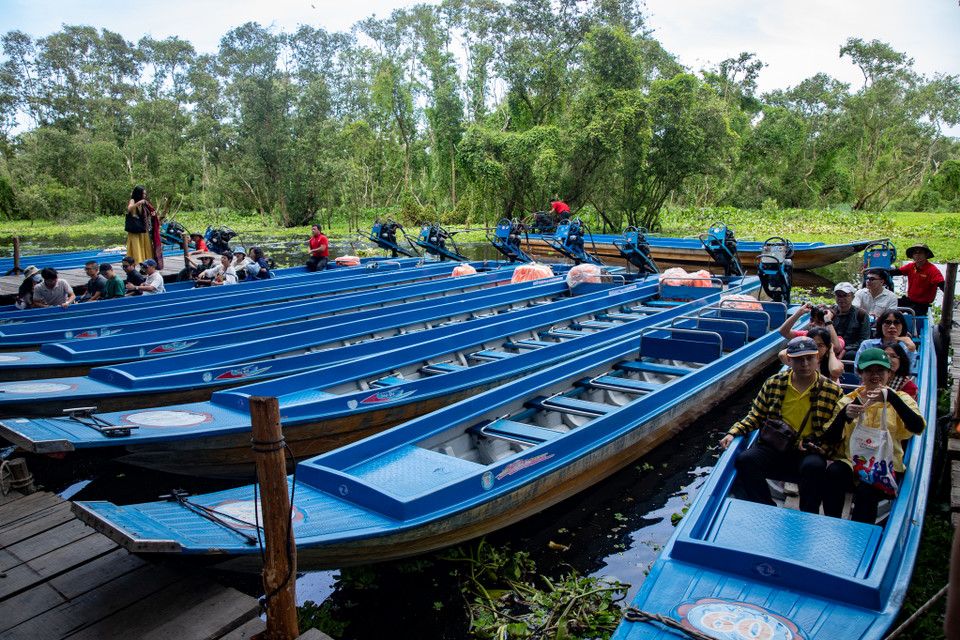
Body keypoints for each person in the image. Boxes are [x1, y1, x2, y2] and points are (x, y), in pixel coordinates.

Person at [719, 337, 844, 513]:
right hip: (778, 445)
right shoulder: (774, 383)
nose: (805, 364)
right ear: (789, 360)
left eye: (809, 358)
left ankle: (808, 514)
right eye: (798, 359)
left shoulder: (832, 391)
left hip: (808, 451)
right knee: (746, 460)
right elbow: (757, 415)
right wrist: (734, 432)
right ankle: (766, 509)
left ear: (817, 358)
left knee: (815, 466)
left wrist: (821, 448)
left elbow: (836, 430)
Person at [821, 348, 925, 523]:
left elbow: (918, 427)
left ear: (889, 373)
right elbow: (830, 439)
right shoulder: (848, 401)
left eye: (880, 371)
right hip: (852, 462)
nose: (875, 375)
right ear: (860, 373)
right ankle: (831, 523)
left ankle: (861, 533)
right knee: (834, 473)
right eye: (869, 371)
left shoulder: (901, 399)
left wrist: (892, 399)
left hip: (885, 465)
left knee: (866, 490)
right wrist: (843, 416)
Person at [889, 243, 944, 316]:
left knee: (903, 315)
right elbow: (895, 272)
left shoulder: (932, 270)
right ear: (912, 255)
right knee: (888, 303)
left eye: (920, 252)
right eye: (915, 253)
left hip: (921, 305)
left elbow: (942, 284)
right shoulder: (910, 267)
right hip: (909, 301)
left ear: (926, 254)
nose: (917, 255)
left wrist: (952, 298)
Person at [778, 301, 845, 357]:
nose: (813, 324)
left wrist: (828, 321)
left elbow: (836, 348)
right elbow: (783, 331)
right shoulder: (806, 335)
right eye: (812, 320)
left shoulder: (839, 340)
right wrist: (800, 312)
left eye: (819, 322)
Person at [832, 282, 871, 359]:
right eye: (839, 296)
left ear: (853, 297)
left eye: (845, 296)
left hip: (851, 349)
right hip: (832, 346)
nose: (841, 299)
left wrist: (846, 349)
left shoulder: (861, 315)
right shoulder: (830, 312)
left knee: (851, 355)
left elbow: (864, 339)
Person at [126, 186, 160, 265]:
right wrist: (138, 203)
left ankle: (146, 261)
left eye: (145, 194)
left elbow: (146, 214)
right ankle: (136, 261)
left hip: (143, 228)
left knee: (146, 245)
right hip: (134, 228)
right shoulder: (133, 200)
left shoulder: (145, 203)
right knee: (136, 246)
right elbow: (129, 209)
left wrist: (152, 214)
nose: (144, 196)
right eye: (143, 194)